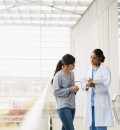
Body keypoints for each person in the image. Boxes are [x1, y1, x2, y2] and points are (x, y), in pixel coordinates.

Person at [81, 49, 113, 130]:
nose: (91, 59)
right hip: (91, 102)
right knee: (92, 125)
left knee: (100, 125)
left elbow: (106, 85)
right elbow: (82, 84)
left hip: (101, 101)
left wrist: (94, 86)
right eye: (91, 57)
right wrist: (87, 85)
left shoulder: (105, 69)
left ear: (100, 58)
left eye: (94, 58)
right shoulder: (87, 69)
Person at [51, 54, 79, 130]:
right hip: (63, 107)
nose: (74, 66)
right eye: (72, 64)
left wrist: (75, 89)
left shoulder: (72, 74)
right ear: (66, 65)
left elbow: (72, 89)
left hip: (72, 105)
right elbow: (55, 92)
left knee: (65, 128)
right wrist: (70, 89)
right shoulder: (58, 75)